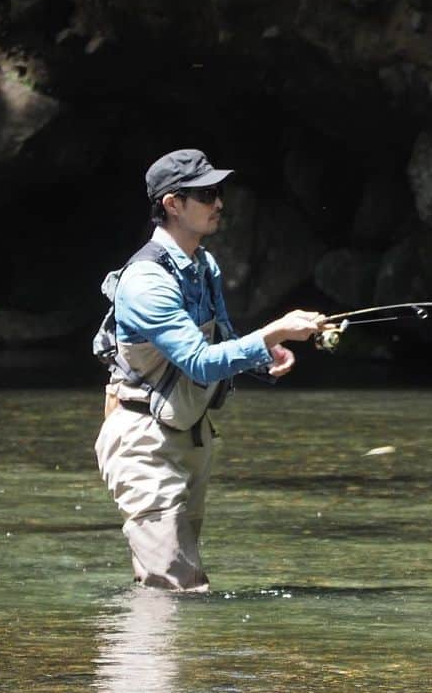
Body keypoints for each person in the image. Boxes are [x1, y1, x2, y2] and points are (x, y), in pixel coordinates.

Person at [94, 148, 330, 592]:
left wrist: (266, 357)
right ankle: (140, 661)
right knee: (178, 586)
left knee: (170, 585)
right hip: (144, 442)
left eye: (218, 191)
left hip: (191, 436)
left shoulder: (205, 266)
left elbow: (218, 342)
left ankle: (154, 661)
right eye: (205, 194)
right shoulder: (146, 281)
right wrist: (274, 332)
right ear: (172, 204)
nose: (219, 202)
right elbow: (201, 363)